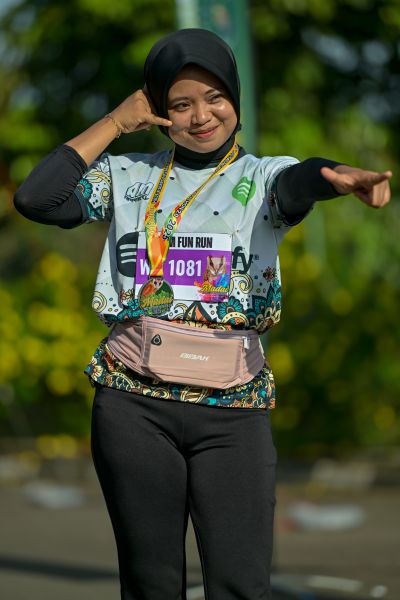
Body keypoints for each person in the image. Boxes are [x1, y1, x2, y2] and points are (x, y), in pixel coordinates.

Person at [14, 28, 391, 600]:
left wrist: (337, 177)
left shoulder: (262, 179)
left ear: (235, 98)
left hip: (234, 412)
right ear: (158, 110)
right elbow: (36, 199)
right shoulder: (127, 177)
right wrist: (115, 122)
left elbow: (301, 179)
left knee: (241, 585)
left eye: (215, 98)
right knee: (152, 584)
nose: (201, 116)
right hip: (133, 405)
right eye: (181, 104)